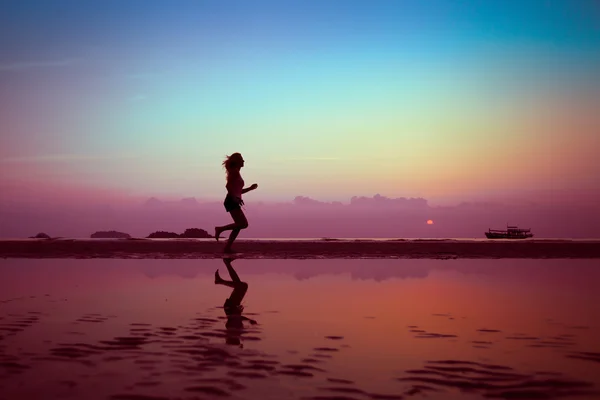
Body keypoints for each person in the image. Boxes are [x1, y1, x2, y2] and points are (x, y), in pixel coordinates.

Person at [214, 152, 258, 253]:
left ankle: (227, 248)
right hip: (231, 200)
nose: (243, 161)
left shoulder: (236, 171)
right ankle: (220, 229)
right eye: (241, 159)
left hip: (233, 200)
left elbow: (238, 191)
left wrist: (250, 189)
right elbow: (228, 186)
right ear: (237, 162)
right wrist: (234, 198)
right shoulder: (234, 172)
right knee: (243, 224)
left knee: (239, 225)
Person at [214, 257, 257, 347]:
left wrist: (244, 317)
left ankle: (220, 281)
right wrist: (249, 320)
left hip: (231, 306)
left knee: (242, 286)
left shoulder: (232, 330)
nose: (240, 341)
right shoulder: (235, 332)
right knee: (238, 284)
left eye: (238, 342)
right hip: (232, 306)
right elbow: (238, 318)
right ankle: (227, 263)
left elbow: (235, 317)